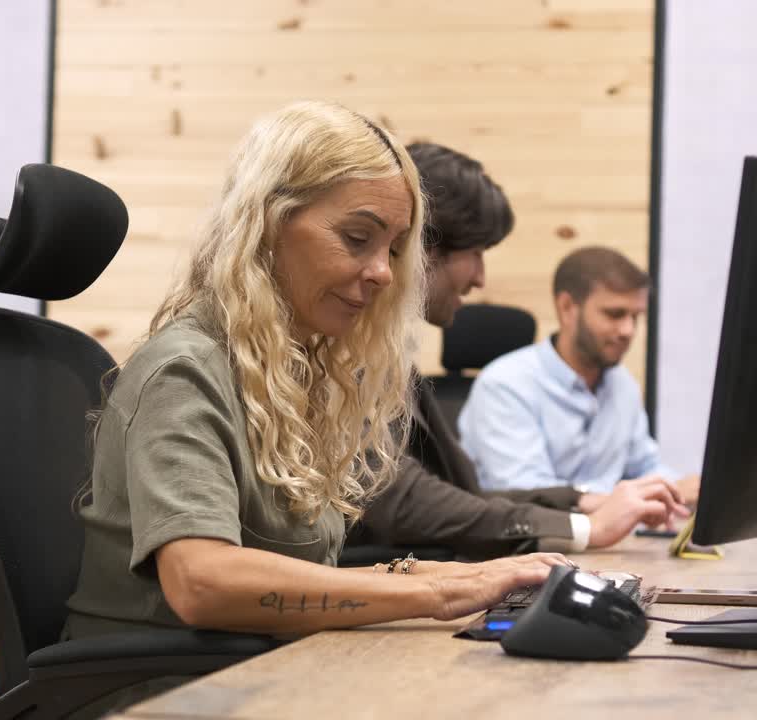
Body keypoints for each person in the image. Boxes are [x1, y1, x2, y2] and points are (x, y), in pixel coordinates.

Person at [62, 102, 570, 715]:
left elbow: (300, 572)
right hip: (160, 694)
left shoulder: (296, 373)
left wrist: (455, 578)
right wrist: (430, 595)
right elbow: (202, 582)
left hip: (267, 674)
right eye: (357, 239)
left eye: (395, 248)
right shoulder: (186, 369)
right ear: (268, 223)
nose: (384, 272)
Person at [348, 144, 688, 559]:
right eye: (476, 254)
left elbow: (468, 496)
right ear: (423, 247)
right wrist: (584, 527)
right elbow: (400, 500)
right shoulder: (349, 355)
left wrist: (580, 502)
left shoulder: (389, 355)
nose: (480, 278)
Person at [459, 246, 699, 502]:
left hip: (608, 539)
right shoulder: (504, 385)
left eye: (635, 317)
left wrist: (679, 489)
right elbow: (528, 494)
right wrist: (627, 501)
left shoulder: (623, 385)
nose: (628, 330)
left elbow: (644, 466)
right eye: (615, 314)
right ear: (567, 308)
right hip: (529, 539)